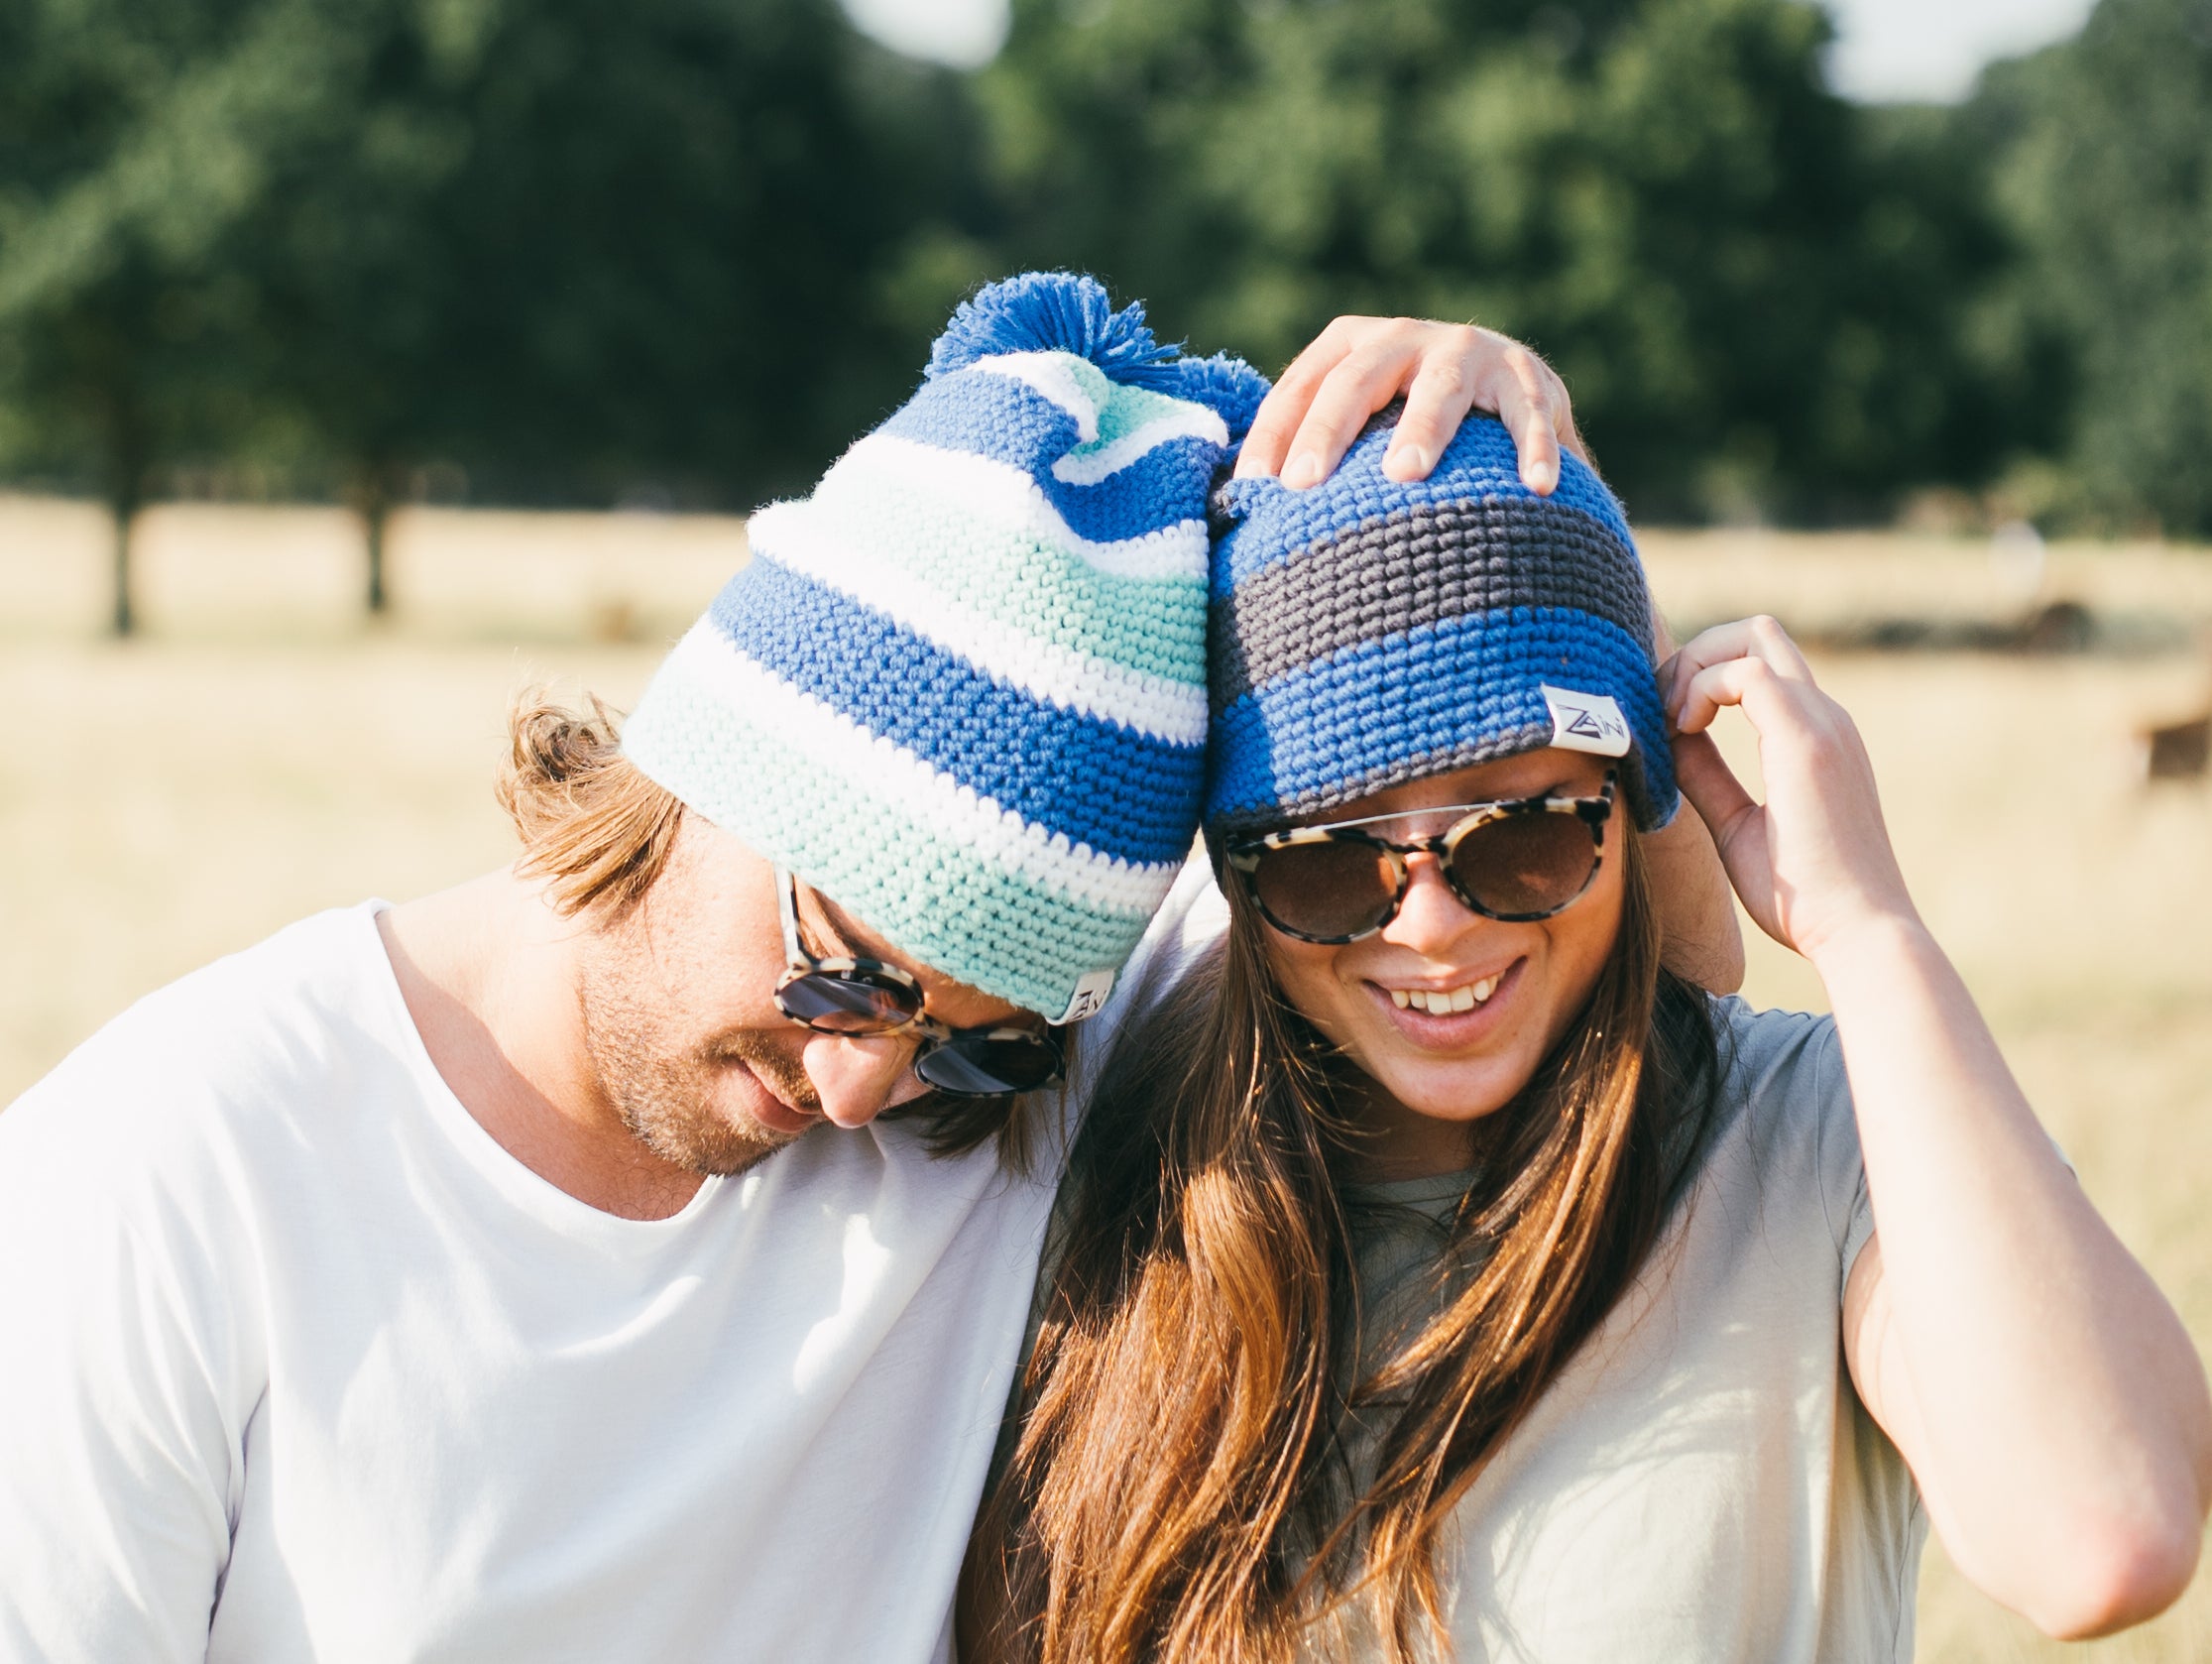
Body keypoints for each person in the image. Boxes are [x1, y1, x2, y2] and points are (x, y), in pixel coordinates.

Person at [0, 275, 1634, 1662]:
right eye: (847, 969)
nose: (862, 1091)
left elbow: (1482, 880)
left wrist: (1483, 439)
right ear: (718, 761)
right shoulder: (171, 1168)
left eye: (980, 1041)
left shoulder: (1001, 1109)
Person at [962, 408, 2212, 1663]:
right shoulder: (1133, 1186)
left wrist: (1864, 927)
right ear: (1236, 881)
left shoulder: (1809, 1142)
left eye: (1523, 835)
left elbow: (2098, 1535)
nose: (1431, 928)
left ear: (1634, 805)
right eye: (1324, 863)